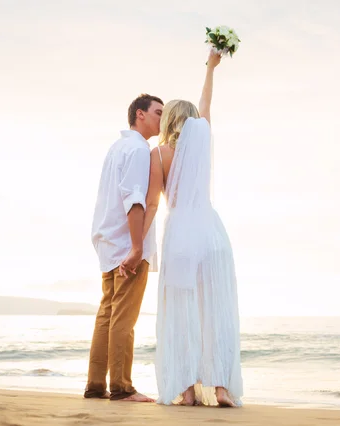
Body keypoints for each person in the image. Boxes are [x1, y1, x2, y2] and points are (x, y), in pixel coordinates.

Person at [125, 50, 243, 407]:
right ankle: (221, 387)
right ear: (191, 121)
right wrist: (210, 67)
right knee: (215, 310)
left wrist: (137, 247)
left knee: (181, 313)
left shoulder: (158, 154)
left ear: (169, 120)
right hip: (211, 234)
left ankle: (187, 389)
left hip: (179, 237)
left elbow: (153, 203)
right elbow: (206, 103)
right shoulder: (203, 139)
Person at [85, 94, 163, 402]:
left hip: (107, 241)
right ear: (140, 115)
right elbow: (134, 199)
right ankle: (121, 387)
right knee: (123, 319)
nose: (162, 116)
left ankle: (95, 385)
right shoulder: (138, 150)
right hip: (126, 243)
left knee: (107, 314)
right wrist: (136, 247)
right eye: (157, 111)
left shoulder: (117, 148)